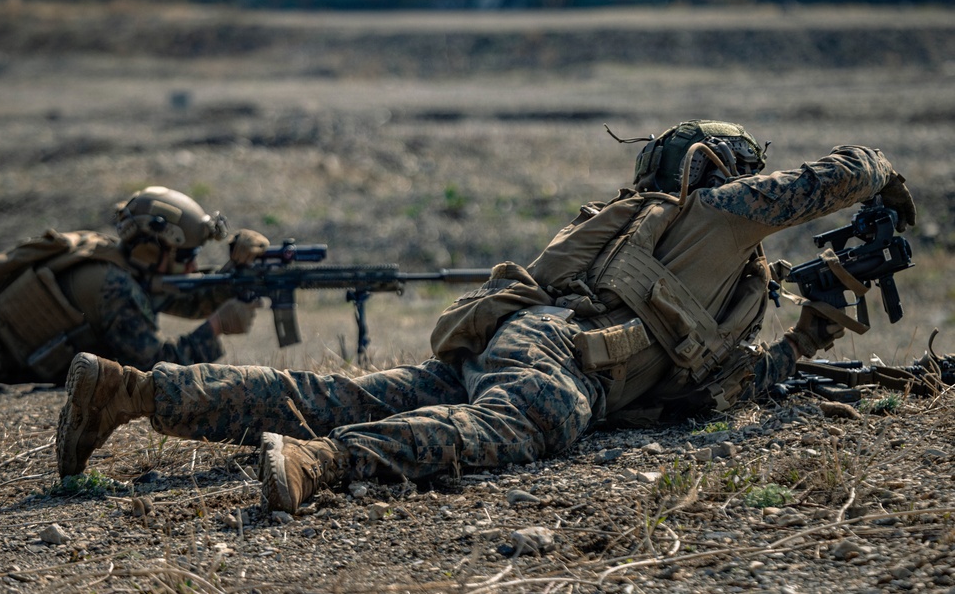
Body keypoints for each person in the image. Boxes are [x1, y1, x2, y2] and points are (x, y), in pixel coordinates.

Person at [55, 120, 917, 516]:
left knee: (335, 391)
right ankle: (325, 465)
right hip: (556, 355)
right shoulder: (709, 217)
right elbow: (827, 178)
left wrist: (810, 330)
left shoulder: (693, 263)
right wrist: (882, 170)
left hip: (513, 340)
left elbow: (722, 390)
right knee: (521, 423)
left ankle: (130, 390)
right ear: (718, 171)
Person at [0, 186, 268, 386]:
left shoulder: (119, 260)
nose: (191, 267)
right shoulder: (115, 287)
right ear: (152, 248)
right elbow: (154, 369)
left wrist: (237, 275)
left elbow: (187, 298)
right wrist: (216, 327)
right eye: (185, 256)